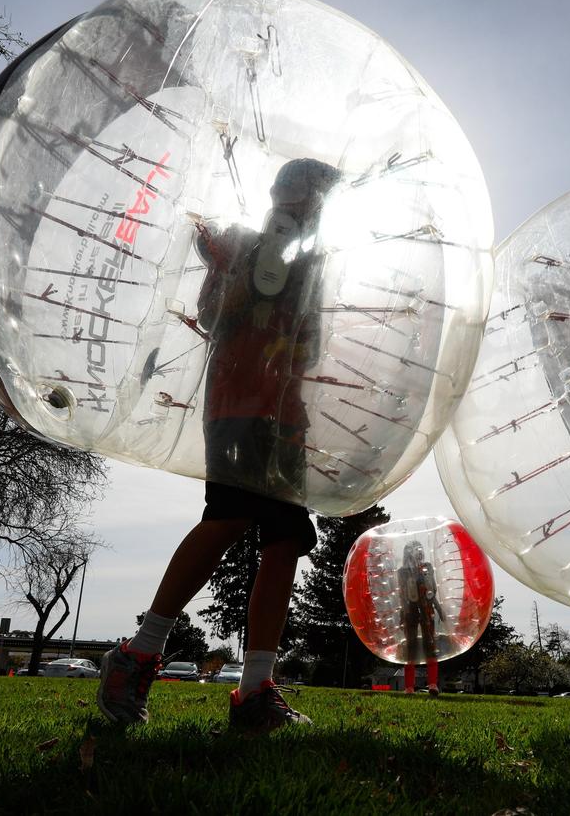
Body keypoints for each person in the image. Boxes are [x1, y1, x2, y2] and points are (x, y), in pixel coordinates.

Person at [96, 158, 340, 733]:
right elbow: (209, 316)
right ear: (277, 192)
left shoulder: (313, 264)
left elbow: (310, 344)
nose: (309, 205)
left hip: (286, 415)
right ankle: (137, 654)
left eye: (319, 198)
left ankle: (255, 691)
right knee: (230, 518)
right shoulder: (245, 246)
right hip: (238, 405)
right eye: (301, 192)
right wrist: (239, 277)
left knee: (285, 540)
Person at [397, 539, 444, 696]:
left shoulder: (427, 567)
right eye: (413, 550)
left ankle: (432, 685)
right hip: (410, 610)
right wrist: (402, 615)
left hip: (426, 608)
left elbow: (432, 590)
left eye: (419, 549)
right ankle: (409, 687)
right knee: (411, 645)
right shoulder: (402, 571)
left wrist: (438, 608)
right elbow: (402, 594)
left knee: (430, 643)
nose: (417, 553)